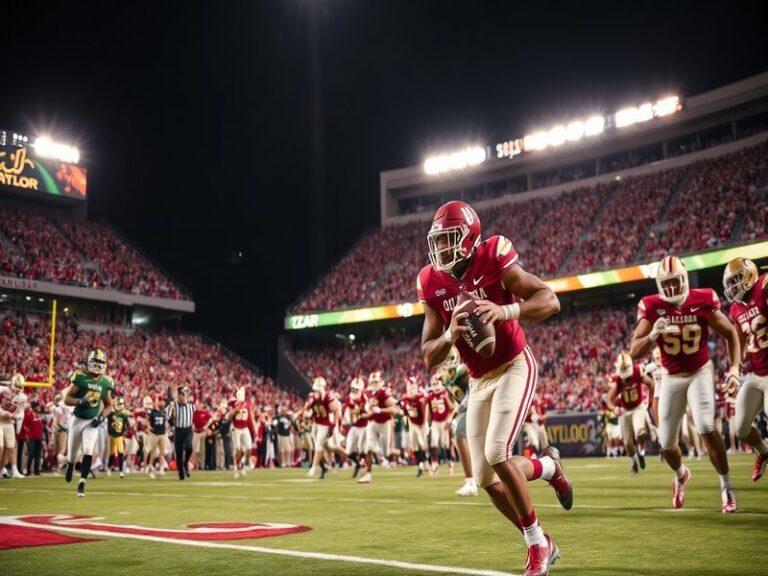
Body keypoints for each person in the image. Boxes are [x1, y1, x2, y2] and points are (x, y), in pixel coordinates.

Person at [418, 200, 571, 576]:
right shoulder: (431, 282)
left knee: (497, 452)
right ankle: (548, 467)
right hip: (478, 379)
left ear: (470, 238)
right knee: (486, 478)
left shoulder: (493, 254)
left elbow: (549, 299)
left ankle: (537, 544)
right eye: (437, 241)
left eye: (449, 240)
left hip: (514, 364)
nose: (441, 250)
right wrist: (452, 334)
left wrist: (506, 311)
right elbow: (427, 355)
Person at [630, 256, 741, 513]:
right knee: (666, 443)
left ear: (685, 279)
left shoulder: (702, 299)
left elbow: (730, 332)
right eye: (666, 284)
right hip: (670, 376)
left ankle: (727, 486)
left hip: (700, 371)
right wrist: (652, 335)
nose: (671, 289)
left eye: (675, 282)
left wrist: (734, 368)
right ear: (659, 284)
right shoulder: (652, 306)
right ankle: (681, 475)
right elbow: (634, 350)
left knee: (705, 425)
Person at [722, 257, 768, 481]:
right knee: (740, 427)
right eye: (730, 283)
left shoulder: (764, 286)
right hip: (756, 374)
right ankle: (764, 452)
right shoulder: (735, 309)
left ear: (749, 275)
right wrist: (734, 371)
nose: (732, 287)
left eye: (736, 280)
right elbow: (739, 342)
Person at [63, 348, 115, 497]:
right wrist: (80, 401)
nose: (98, 365)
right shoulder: (81, 378)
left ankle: (82, 483)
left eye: (101, 362)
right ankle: (70, 465)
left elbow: (109, 405)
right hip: (77, 419)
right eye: (96, 362)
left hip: (92, 421)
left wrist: (101, 417)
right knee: (72, 453)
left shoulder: (106, 382)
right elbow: (67, 399)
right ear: (90, 362)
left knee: (88, 450)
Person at [605, 351, 654, 475]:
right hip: (625, 410)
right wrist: (614, 408)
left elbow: (650, 384)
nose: (626, 378)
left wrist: (650, 399)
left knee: (640, 431)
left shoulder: (637, 372)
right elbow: (609, 399)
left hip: (638, 407)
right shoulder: (618, 380)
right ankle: (634, 463)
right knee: (627, 443)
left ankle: (641, 453)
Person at [442, 348, 478, 496]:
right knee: (463, 435)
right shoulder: (445, 378)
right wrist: (455, 411)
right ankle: (473, 480)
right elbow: (457, 398)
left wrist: (457, 411)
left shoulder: (463, 371)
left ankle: (471, 481)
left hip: (477, 402)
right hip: (467, 408)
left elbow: (473, 391)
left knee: (459, 432)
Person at [358, 371, 396, 484]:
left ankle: (387, 457)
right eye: (372, 382)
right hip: (372, 423)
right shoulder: (366, 393)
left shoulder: (384, 392)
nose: (374, 384)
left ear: (380, 382)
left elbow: (393, 409)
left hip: (385, 423)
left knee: (386, 451)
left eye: (376, 382)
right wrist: (364, 412)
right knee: (368, 448)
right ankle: (368, 475)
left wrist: (380, 410)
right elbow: (361, 409)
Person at [400, 376, 428, 477]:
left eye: (412, 387)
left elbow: (426, 410)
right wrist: (407, 424)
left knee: (422, 444)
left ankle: (427, 462)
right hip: (412, 424)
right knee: (414, 446)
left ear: (416, 387)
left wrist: (424, 424)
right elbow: (403, 413)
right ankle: (421, 465)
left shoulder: (421, 397)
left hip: (422, 423)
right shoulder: (404, 398)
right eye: (408, 387)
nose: (410, 390)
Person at [0, 373, 27, 479]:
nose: (18, 390)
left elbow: (21, 414)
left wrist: (13, 416)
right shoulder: (3, 390)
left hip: (9, 422)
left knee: (10, 447)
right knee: (0, 447)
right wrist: (1, 412)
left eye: (20, 388)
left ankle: (4, 469)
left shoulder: (22, 397)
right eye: (17, 387)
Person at [168, 386, 194, 480]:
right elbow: (168, 418)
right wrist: (171, 413)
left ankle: (186, 463)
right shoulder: (174, 405)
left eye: (185, 394)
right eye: (182, 395)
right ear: (178, 396)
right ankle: (181, 472)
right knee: (178, 454)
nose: (184, 396)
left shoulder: (191, 404)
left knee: (189, 447)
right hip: (178, 430)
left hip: (188, 430)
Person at [143, 396, 169, 479]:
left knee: (162, 452)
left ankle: (161, 467)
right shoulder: (152, 412)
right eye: (160, 401)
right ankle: (149, 466)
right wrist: (149, 427)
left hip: (162, 434)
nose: (162, 403)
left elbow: (165, 422)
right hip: (154, 434)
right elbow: (147, 420)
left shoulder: (164, 412)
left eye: (163, 401)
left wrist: (166, 429)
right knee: (151, 451)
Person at [107, 397, 132, 478]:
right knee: (112, 453)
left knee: (121, 452)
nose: (119, 406)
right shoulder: (111, 414)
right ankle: (109, 468)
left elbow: (128, 424)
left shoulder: (124, 415)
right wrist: (108, 433)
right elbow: (108, 423)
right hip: (112, 436)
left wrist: (126, 430)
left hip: (119, 436)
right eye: (118, 404)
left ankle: (121, 471)